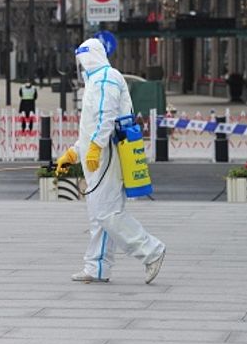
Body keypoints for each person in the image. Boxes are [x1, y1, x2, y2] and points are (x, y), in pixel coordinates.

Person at [55, 37, 165, 284]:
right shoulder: (96, 80)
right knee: (98, 213)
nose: (80, 64)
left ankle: (151, 251)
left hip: (107, 153)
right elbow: (92, 125)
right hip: (98, 154)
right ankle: (97, 268)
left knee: (108, 211)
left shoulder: (106, 78)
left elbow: (106, 118)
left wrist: (94, 147)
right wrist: (75, 152)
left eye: (82, 58)